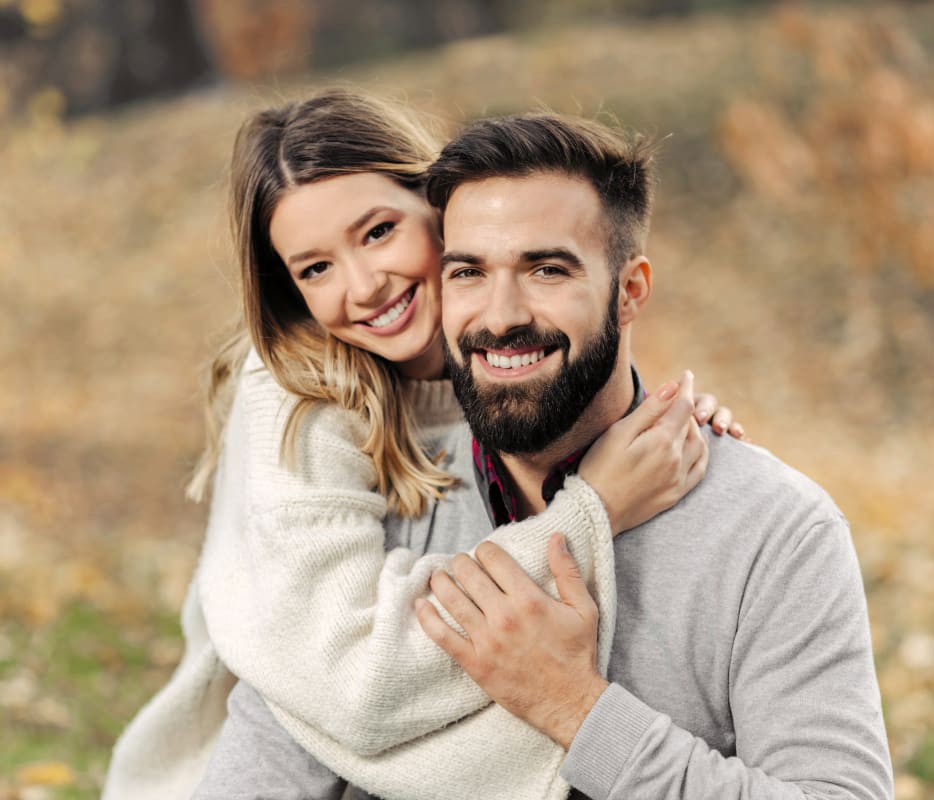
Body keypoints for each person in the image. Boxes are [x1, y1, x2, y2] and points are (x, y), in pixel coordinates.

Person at [196, 113, 893, 800]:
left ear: (630, 291)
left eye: (547, 269)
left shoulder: (771, 530)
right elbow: (273, 750)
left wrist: (577, 710)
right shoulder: (382, 488)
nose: (500, 315)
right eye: (469, 271)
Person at [101, 89, 742, 800]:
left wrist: (659, 422)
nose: (365, 285)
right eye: (315, 269)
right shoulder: (298, 397)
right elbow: (351, 687)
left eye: (377, 232)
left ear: (439, 206)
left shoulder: (501, 361)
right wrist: (598, 507)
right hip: (268, 758)